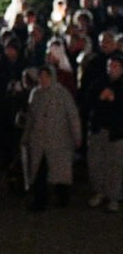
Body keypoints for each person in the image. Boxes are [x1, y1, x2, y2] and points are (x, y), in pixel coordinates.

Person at [22, 64, 82, 211]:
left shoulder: (62, 94)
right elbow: (31, 117)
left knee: (60, 172)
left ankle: (62, 198)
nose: (43, 79)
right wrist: (26, 136)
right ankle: (39, 201)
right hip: (39, 140)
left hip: (59, 140)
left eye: (46, 76)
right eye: (41, 76)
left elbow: (72, 116)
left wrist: (77, 136)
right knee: (39, 171)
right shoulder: (36, 94)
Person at [84, 52, 123, 212]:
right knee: (96, 163)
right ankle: (99, 191)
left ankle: (113, 196)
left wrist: (116, 99)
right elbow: (87, 101)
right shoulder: (99, 83)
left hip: (117, 132)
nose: (112, 69)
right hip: (98, 130)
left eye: (115, 66)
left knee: (115, 165)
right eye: (110, 66)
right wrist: (100, 98)